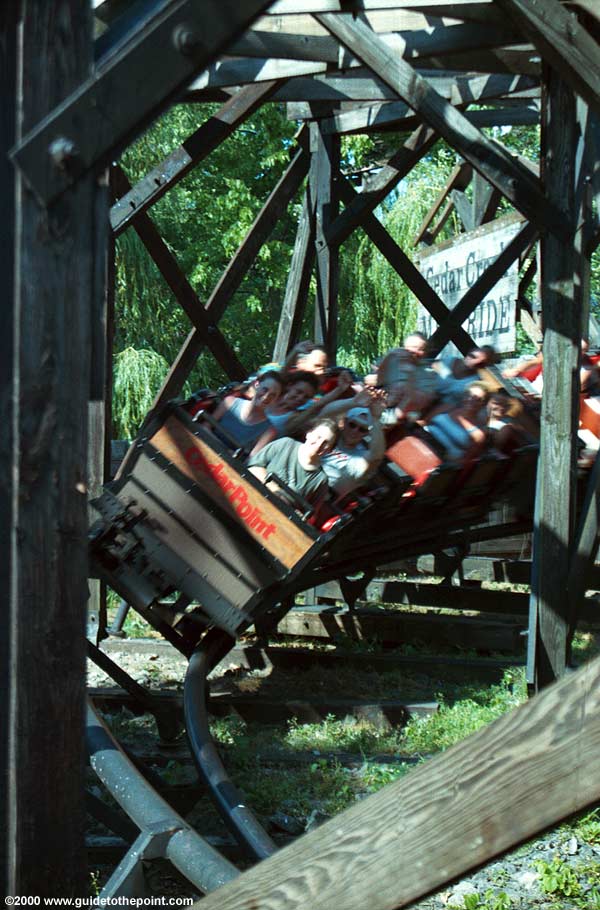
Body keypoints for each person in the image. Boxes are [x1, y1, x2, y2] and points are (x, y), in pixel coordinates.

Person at [247, 418, 339, 507]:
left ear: (330, 450)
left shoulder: (320, 480)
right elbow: (253, 468)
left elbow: (309, 513)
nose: (319, 444)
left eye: (326, 443)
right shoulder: (285, 444)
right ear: (309, 434)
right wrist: (277, 491)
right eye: (318, 437)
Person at [321, 403, 386, 498]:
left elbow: (376, 455)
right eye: (352, 425)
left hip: (323, 496)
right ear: (344, 422)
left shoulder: (360, 457)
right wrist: (354, 401)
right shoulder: (329, 435)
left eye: (362, 429)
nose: (355, 431)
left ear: (367, 433)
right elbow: (322, 416)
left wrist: (375, 419)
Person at [210, 370, 283, 450]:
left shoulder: (269, 430)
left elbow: (251, 459)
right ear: (257, 384)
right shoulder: (230, 402)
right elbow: (205, 426)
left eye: (273, 395)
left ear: (276, 399)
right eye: (265, 390)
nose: (266, 397)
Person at [422, 381, 490, 463]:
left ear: (483, 404)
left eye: (478, 399)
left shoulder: (478, 433)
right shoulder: (447, 407)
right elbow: (424, 422)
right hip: (420, 444)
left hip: (439, 461)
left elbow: (466, 461)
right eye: (469, 395)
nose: (471, 400)